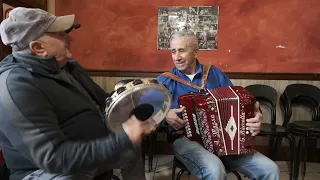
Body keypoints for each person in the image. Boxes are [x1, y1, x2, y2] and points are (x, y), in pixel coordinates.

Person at [0, 7, 157, 180]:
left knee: (130, 148)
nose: (68, 37)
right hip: (44, 170)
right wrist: (123, 139)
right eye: (60, 34)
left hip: (82, 153)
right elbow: (55, 159)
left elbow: (106, 101)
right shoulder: (16, 86)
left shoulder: (69, 67)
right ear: (38, 48)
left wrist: (133, 113)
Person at [156, 30, 280, 180]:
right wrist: (165, 114)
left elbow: (239, 102)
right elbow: (145, 112)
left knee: (270, 169)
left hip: (225, 140)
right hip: (185, 140)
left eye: (181, 50)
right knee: (215, 169)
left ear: (195, 52)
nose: (177, 57)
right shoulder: (165, 81)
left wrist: (256, 115)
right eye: (173, 51)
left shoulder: (214, 74)